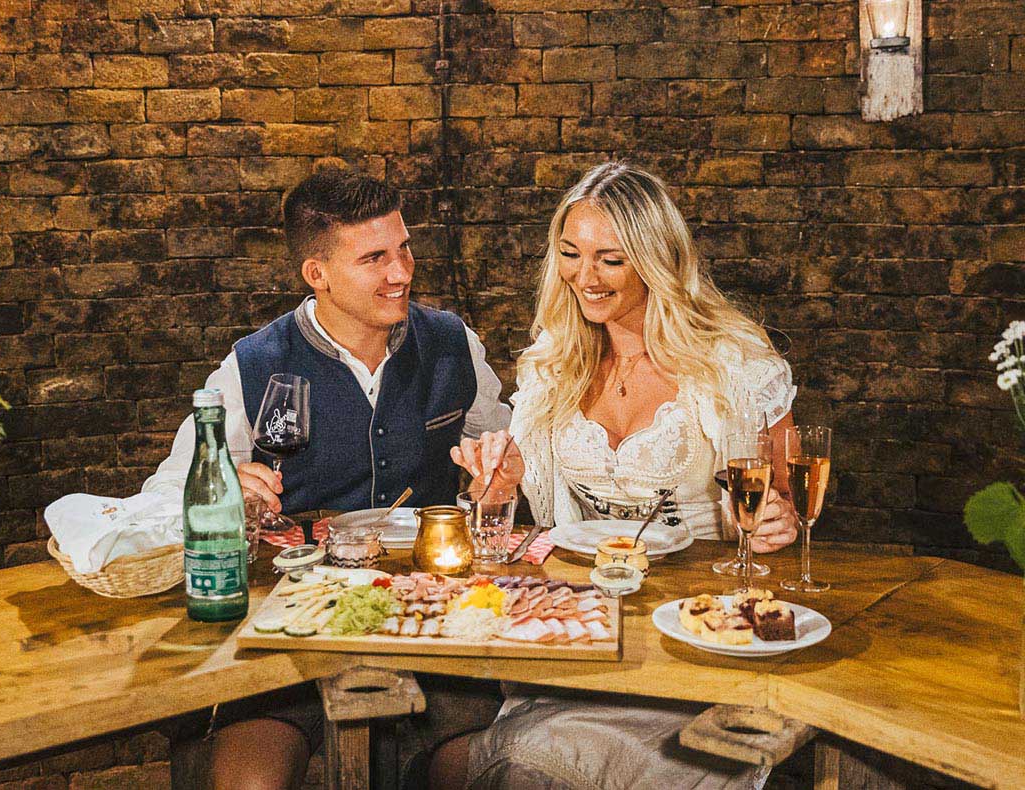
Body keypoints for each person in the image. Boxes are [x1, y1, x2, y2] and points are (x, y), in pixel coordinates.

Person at [141, 167, 512, 790]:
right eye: (374, 259)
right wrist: (227, 488)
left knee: (477, 776)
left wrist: (496, 481)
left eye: (403, 249)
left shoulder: (454, 345)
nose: (401, 273)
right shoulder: (254, 364)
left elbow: (502, 465)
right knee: (251, 783)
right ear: (318, 273)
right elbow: (165, 496)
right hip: (296, 624)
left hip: (436, 623)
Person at [442, 161, 799, 789]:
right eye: (570, 254)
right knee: (516, 763)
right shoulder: (552, 366)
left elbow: (779, 506)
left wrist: (776, 521)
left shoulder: (736, 365)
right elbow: (522, 522)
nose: (585, 277)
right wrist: (499, 486)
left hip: (696, 634)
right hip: (584, 632)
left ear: (656, 259)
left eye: (610, 259)